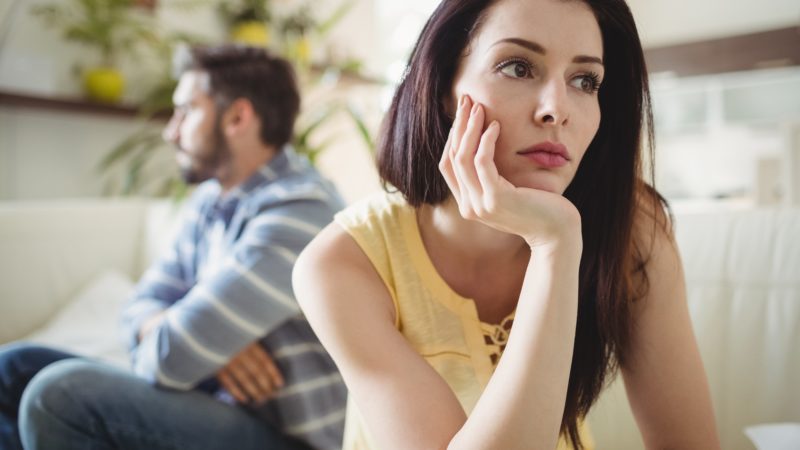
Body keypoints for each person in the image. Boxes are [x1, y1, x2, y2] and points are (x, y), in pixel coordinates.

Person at [292, 0, 721, 449]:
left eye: (584, 80)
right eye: (518, 68)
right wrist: (554, 245)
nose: (556, 109)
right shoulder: (341, 265)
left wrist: (558, 240)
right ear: (444, 88)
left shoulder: (634, 229)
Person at [0, 45, 346, 450]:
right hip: (216, 406)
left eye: (186, 111)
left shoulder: (299, 212)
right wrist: (211, 344)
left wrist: (194, 343)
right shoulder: (212, 200)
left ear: (237, 117)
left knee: (58, 396)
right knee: (12, 367)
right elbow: (138, 305)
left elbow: (168, 359)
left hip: (287, 437)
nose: (171, 131)